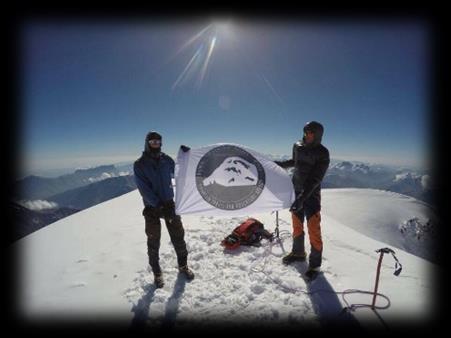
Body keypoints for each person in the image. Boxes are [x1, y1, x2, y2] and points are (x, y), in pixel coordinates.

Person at [134, 131, 194, 288]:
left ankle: (183, 267)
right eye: (153, 142)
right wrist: (158, 205)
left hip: (169, 204)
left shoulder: (167, 160)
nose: (156, 144)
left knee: (179, 238)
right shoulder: (140, 164)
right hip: (152, 208)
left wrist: (186, 157)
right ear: (147, 143)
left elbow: (180, 173)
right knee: (153, 242)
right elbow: (143, 189)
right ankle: (157, 274)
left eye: (158, 142)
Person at [275, 121, 330, 279]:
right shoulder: (297, 145)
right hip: (296, 191)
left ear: (318, 135)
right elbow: (295, 162)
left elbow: (315, 179)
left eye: (311, 133)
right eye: (306, 132)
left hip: (311, 195)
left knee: (314, 230)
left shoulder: (322, 153)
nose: (307, 135)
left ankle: (315, 265)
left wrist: (302, 198)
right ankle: (298, 253)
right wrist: (280, 165)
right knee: (297, 225)